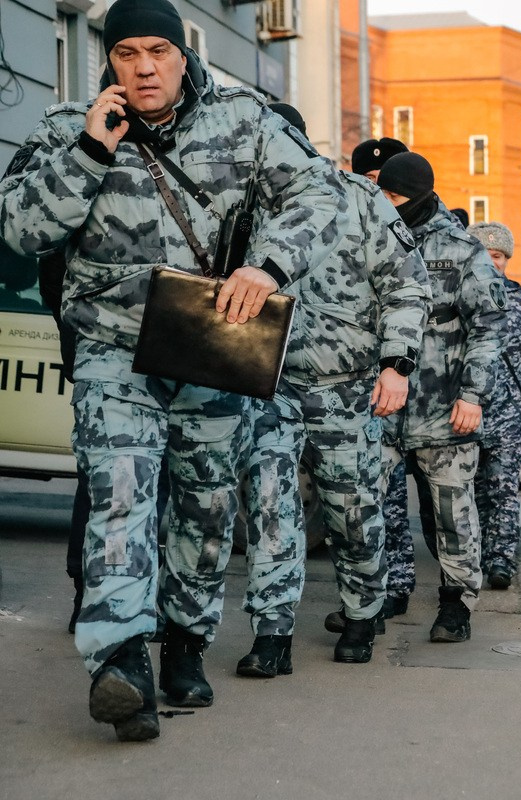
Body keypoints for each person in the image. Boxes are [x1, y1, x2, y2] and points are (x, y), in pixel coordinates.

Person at [0, 0, 346, 741]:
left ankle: (185, 644)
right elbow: (22, 228)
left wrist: (267, 263)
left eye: (159, 49)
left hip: (211, 349)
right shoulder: (69, 127)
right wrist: (90, 152)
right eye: (127, 52)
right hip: (112, 352)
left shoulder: (245, 121)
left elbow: (319, 194)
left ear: (185, 55)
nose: (145, 65)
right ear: (108, 60)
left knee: (204, 507)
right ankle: (121, 663)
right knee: (118, 499)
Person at [238, 108, 429, 672]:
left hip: (343, 386)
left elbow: (406, 287)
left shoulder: (359, 199)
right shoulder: (242, 199)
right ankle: (271, 633)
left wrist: (397, 365)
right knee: (270, 508)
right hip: (263, 383)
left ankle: (363, 613)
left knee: (351, 508)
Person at [375, 151, 506, 644]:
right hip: (380, 408)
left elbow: (489, 327)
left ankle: (456, 603)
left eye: (394, 196)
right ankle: (374, 596)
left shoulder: (461, 249)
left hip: (443, 408)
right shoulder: (373, 237)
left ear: (417, 195)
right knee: (369, 506)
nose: (386, 204)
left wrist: (473, 395)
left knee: (453, 511)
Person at [466, 221, 521, 590]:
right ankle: (468, 559)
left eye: (499, 255)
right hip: (463, 411)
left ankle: (501, 560)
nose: (493, 261)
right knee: (468, 492)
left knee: (503, 490)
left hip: (508, 413)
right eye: (485, 253)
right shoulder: (457, 298)